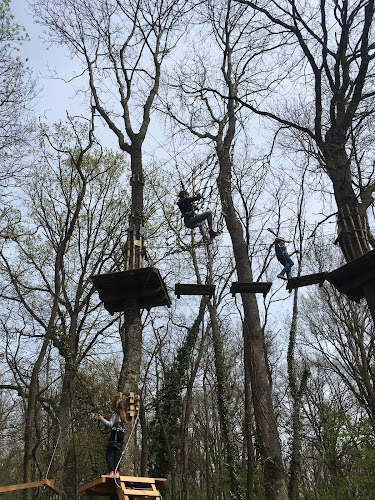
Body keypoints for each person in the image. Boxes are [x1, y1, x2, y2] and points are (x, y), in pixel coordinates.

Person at [98, 396, 128, 477]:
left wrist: (101, 419)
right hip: (121, 434)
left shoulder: (115, 413)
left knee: (109, 453)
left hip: (115, 433)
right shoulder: (124, 414)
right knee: (117, 454)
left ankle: (111, 471)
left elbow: (110, 424)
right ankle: (117, 472)